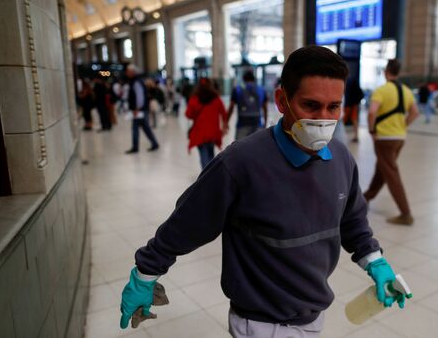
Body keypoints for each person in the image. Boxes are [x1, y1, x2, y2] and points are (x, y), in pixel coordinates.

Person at [119, 46, 410, 337]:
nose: (323, 119)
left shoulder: (341, 159)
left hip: (312, 315)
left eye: (333, 107)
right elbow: (188, 223)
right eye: (311, 105)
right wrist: (145, 274)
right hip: (261, 324)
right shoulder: (241, 163)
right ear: (282, 101)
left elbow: (353, 222)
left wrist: (376, 263)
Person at [364, 59, 419, 225]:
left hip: (384, 138)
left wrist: (372, 130)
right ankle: (365, 198)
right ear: (398, 72)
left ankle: (406, 214)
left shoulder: (381, 90)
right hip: (400, 138)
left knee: (391, 173)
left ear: (385, 72)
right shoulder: (407, 91)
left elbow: (372, 112)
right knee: (383, 169)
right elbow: (415, 113)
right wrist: (404, 124)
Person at [185, 78, 228, 169]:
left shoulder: (194, 99)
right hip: (213, 132)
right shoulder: (216, 98)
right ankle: (211, 175)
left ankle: (205, 177)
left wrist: (196, 116)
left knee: (203, 155)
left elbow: (188, 114)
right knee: (210, 153)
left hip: (199, 132)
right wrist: (224, 125)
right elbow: (224, 113)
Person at [124, 64, 159, 154]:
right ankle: (154, 143)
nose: (127, 73)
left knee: (136, 128)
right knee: (145, 127)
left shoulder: (136, 82)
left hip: (140, 110)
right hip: (140, 109)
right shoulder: (134, 81)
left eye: (128, 71)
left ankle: (136, 147)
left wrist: (137, 108)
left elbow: (140, 97)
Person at [227, 70, 268, 140]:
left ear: (244, 79)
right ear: (254, 79)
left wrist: (226, 121)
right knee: (257, 147)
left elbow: (231, 107)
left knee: (240, 148)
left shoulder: (237, 89)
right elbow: (265, 108)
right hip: (257, 122)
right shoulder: (261, 89)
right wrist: (265, 123)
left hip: (242, 123)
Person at [342, 77, 365, 142]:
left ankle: (340, 135)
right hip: (354, 104)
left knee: (343, 121)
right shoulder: (353, 81)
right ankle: (356, 136)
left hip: (348, 104)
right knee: (354, 120)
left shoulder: (346, 81)